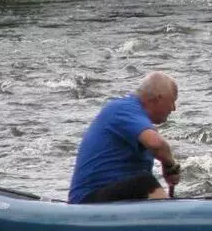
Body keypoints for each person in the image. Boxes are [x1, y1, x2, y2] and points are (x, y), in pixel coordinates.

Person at [68, 71, 181, 204]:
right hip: (88, 201)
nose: (173, 108)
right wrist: (170, 164)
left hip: (116, 197)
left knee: (144, 181)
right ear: (158, 99)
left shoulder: (138, 119)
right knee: (143, 182)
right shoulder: (123, 109)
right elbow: (156, 145)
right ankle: (172, 219)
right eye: (172, 101)